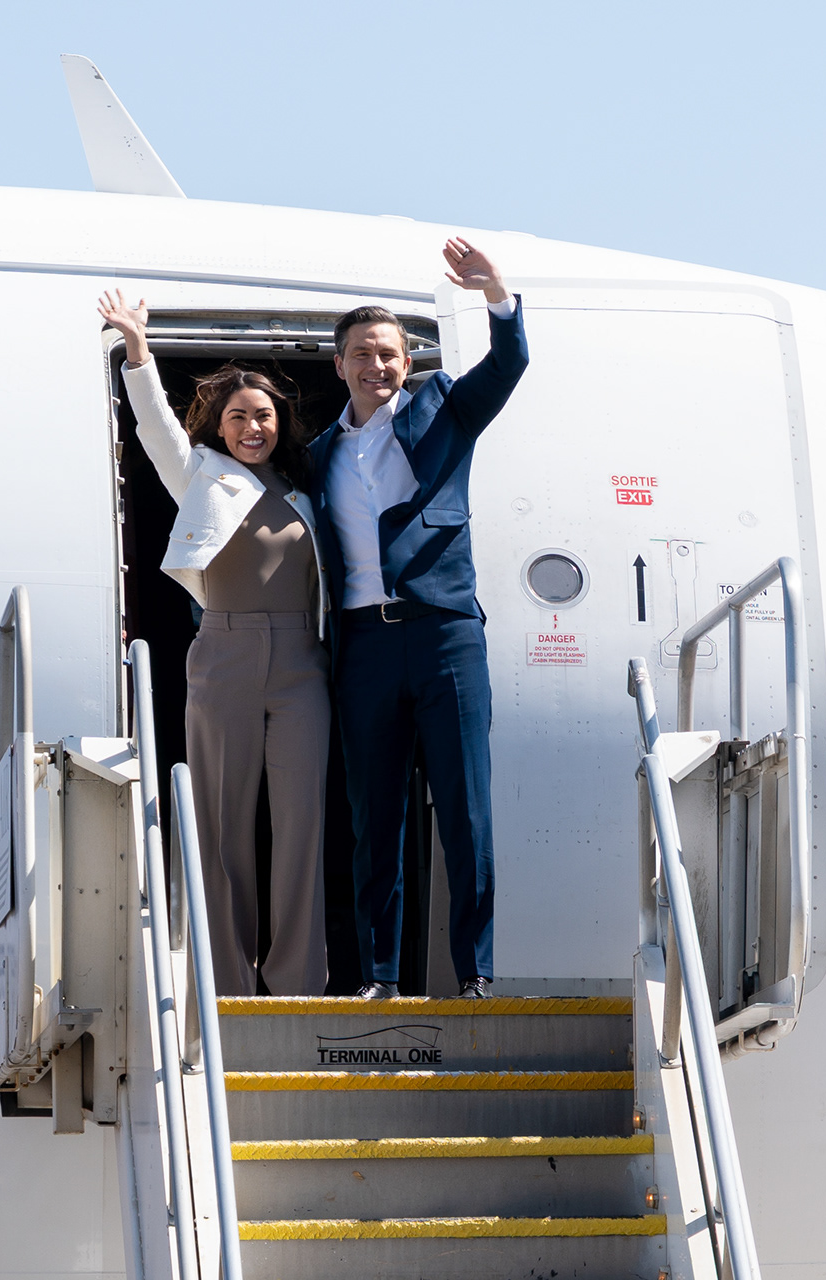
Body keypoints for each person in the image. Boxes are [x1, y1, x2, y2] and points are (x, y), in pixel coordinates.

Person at [306, 238, 529, 1000]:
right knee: (376, 818)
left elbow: (509, 364)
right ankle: (380, 975)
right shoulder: (320, 453)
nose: (377, 365)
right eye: (362, 354)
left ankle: (476, 971)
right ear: (339, 365)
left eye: (389, 354)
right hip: (364, 643)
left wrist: (496, 294)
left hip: (444, 633)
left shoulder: (445, 409)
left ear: (407, 361)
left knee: (466, 808)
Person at [97, 289, 330, 997]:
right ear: (220, 426)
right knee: (222, 823)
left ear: (279, 421)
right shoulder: (200, 473)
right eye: (238, 417)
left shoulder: (306, 488)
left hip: (303, 662)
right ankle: (226, 979)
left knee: (301, 824)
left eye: (263, 416)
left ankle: (296, 980)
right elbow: (156, 427)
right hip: (224, 654)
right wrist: (138, 350)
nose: (252, 427)